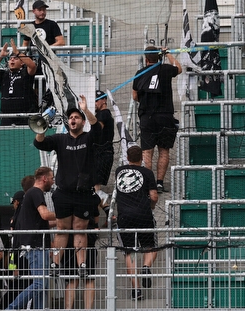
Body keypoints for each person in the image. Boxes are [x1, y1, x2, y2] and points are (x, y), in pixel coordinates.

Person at [33, 97, 102, 277]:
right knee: (62, 229)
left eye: (77, 117)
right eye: (70, 117)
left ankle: (82, 266)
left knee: (80, 229)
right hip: (63, 194)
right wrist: (42, 125)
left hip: (84, 194)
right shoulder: (59, 139)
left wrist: (86, 109)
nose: (73, 119)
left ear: (82, 121)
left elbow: (98, 129)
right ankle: (55, 265)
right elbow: (39, 143)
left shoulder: (89, 137)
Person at [132, 45, 182, 192]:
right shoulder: (166, 69)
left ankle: (149, 184)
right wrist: (168, 54)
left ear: (146, 59)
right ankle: (159, 183)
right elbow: (178, 68)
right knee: (164, 150)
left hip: (147, 117)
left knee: (147, 152)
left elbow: (135, 96)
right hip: (165, 117)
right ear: (159, 57)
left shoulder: (139, 73)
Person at [113, 145, 160, 300]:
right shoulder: (147, 173)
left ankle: (136, 290)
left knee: (130, 252)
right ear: (142, 158)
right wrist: (150, 207)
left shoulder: (119, 171)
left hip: (124, 217)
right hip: (143, 215)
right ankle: (146, 267)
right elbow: (153, 197)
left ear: (127, 157)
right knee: (150, 246)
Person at [6, 167, 56, 310]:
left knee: (43, 286)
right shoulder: (35, 192)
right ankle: (10, 309)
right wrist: (64, 214)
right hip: (35, 247)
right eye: (52, 178)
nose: (53, 182)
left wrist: (63, 222)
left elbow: (44, 221)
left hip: (35, 247)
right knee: (40, 284)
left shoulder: (30, 197)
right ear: (45, 178)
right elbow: (45, 215)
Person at [57, 198, 101, 309]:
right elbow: (96, 219)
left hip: (69, 241)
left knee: (72, 279)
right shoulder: (89, 195)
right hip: (87, 239)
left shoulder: (64, 196)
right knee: (89, 278)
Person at [0, 41, 38, 125]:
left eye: (16, 58)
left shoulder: (25, 73)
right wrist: (1, 56)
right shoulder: (3, 74)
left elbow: (32, 66)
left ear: (22, 63)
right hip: (7, 117)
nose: (12, 60)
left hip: (25, 116)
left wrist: (18, 52)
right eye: (10, 59)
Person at [92, 92, 116, 204]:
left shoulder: (103, 114)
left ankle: (107, 206)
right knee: (95, 188)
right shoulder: (106, 114)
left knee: (96, 189)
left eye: (97, 100)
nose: (95, 103)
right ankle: (108, 213)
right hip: (104, 153)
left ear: (104, 101)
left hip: (102, 154)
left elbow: (97, 131)